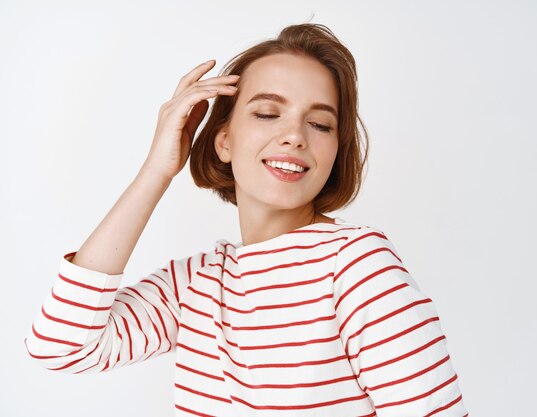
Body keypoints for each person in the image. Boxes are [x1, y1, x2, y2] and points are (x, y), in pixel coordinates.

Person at [24, 23, 469, 416]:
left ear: (335, 152)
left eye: (320, 124)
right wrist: (157, 170)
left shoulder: (357, 267)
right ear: (223, 141)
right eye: (267, 113)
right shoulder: (197, 284)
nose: (294, 136)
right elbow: (59, 347)